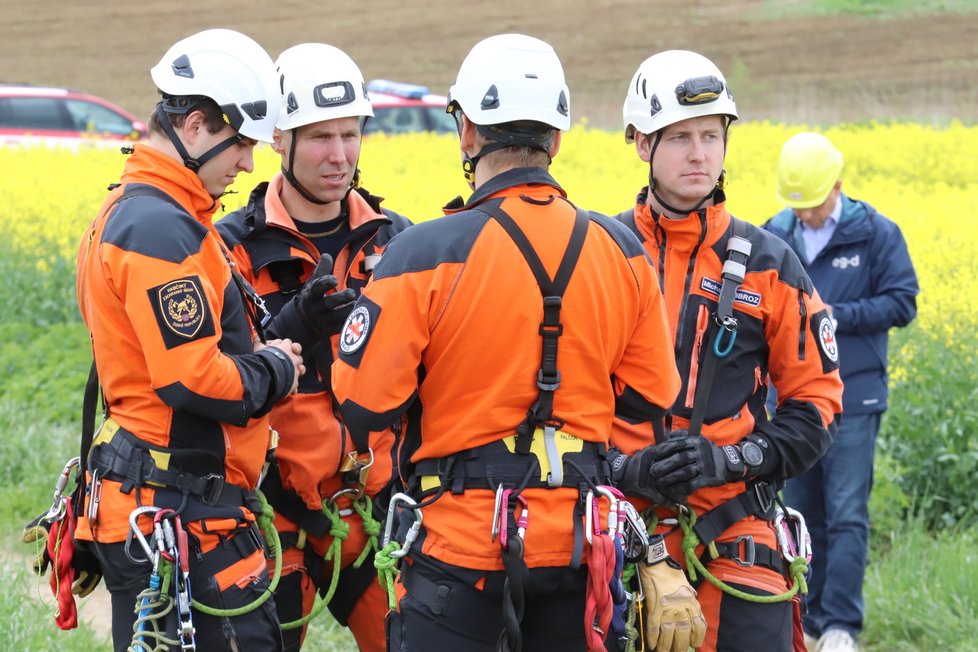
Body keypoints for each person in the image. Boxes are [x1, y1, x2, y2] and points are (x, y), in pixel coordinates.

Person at [331, 33, 694, 652]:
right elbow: (650, 396)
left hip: (462, 550)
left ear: (467, 131)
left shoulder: (424, 252)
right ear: (556, 140)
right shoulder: (622, 252)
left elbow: (362, 404)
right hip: (582, 551)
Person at [73, 29, 304, 651]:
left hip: (163, 504)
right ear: (196, 126)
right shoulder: (158, 227)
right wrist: (276, 371)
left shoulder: (145, 211)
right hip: (182, 517)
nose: (250, 164)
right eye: (242, 145)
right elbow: (193, 378)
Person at [611, 50, 845, 652]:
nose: (700, 154)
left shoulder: (770, 263)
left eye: (712, 136)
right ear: (642, 143)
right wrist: (621, 468)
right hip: (615, 516)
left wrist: (733, 461)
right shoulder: (599, 253)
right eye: (682, 137)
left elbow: (817, 402)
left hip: (734, 525)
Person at [217, 42, 412, 652]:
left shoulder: (397, 240)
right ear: (279, 137)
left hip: (379, 514)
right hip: (275, 519)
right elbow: (210, 377)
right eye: (320, 136)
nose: (339, 155)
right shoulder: (231, 249)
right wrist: (288, 327)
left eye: (350, 134)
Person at [763, 132, 919, 652]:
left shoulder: (876, 233)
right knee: (801, 513)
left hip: (855, 396)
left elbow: (903, 302)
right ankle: (805, 614)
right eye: (798, 206)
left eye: (814, 204)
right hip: (793, 404)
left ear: (838, 185)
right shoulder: (774, 235)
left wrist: (831, 318)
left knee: (848, 512)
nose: (805, 216)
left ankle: (841, 625)